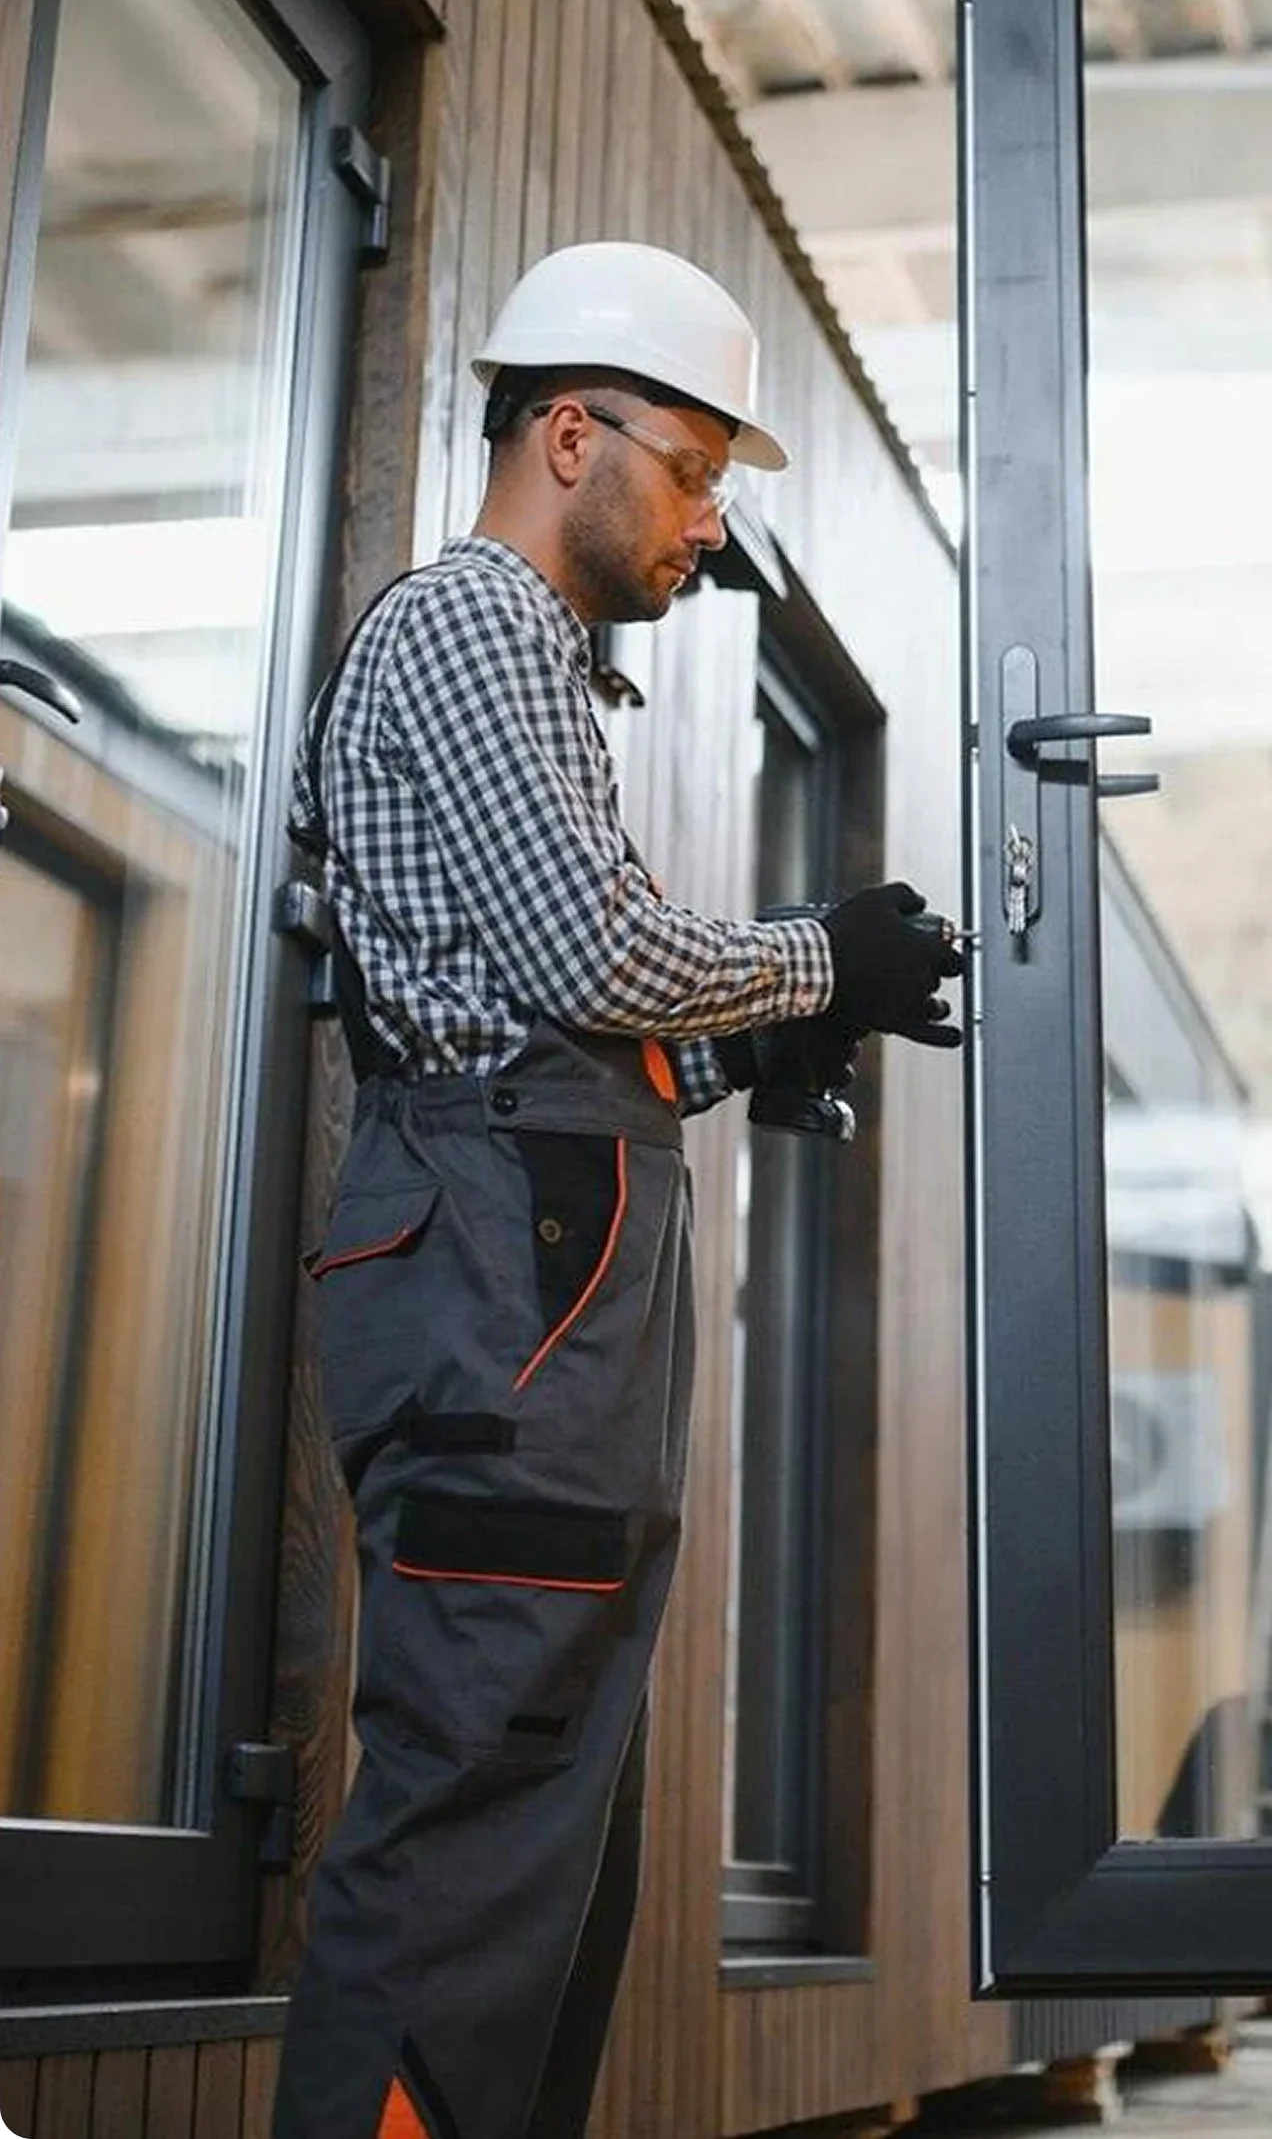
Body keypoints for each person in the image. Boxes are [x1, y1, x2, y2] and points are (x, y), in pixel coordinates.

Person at [272, 241, 962, 2139]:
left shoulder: (546, 681)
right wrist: (826, 958)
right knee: (482, 1821)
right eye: (694, 472)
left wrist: (756, 1041)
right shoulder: (476, 624)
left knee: (546, 1832)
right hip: (508, 1288)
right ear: (571, 433)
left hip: (538, 1283)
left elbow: (572, 999)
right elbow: (587, 957)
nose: (708, 527)